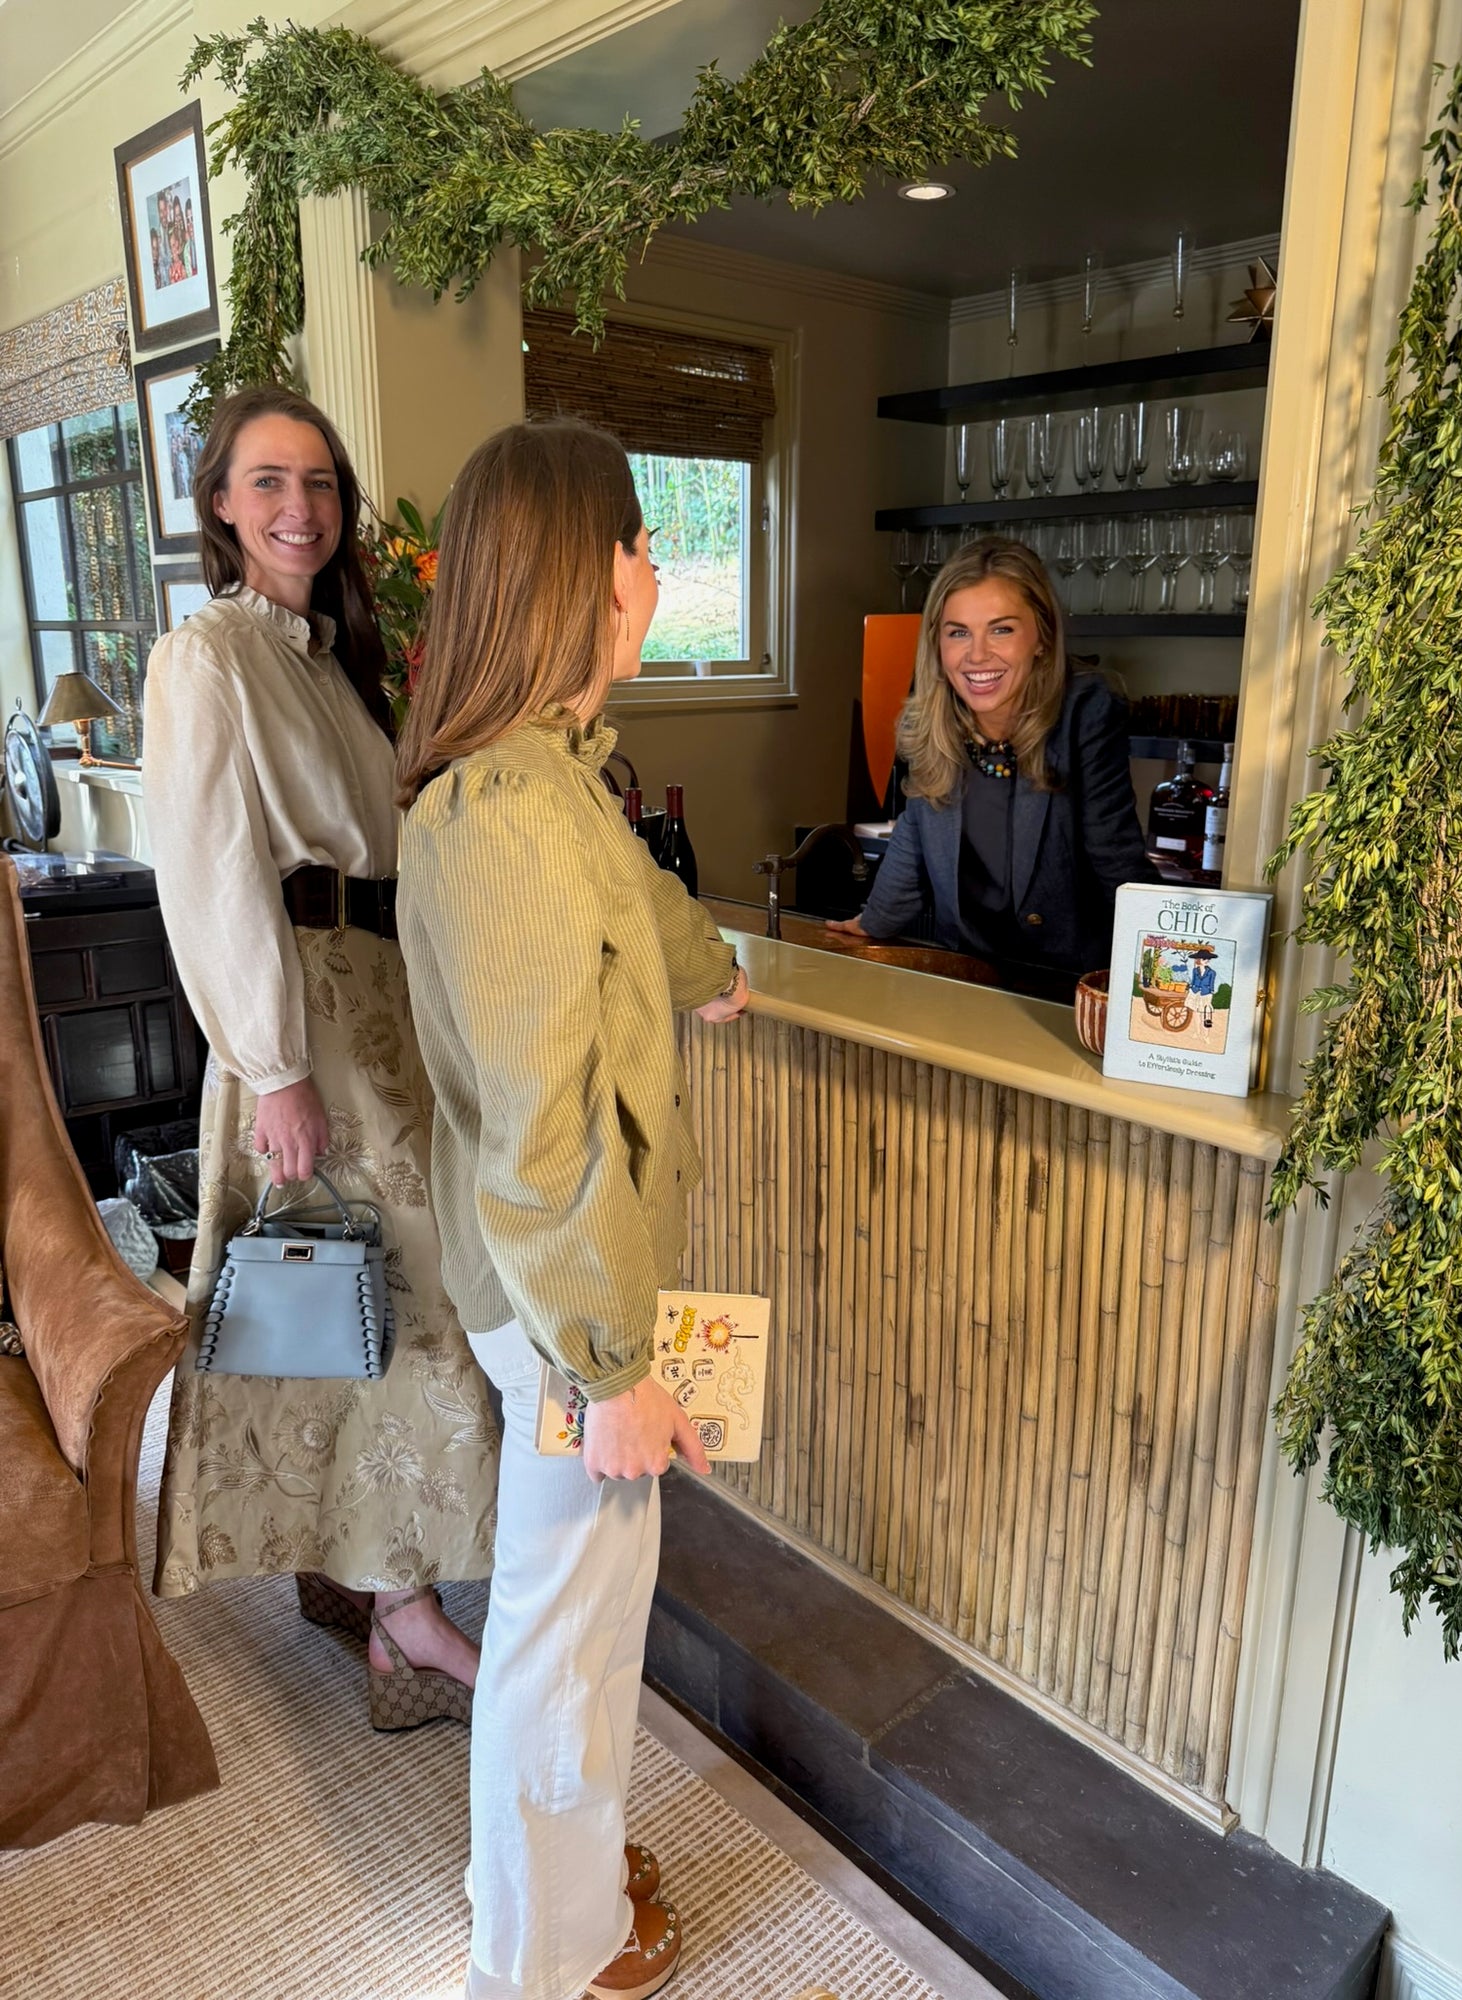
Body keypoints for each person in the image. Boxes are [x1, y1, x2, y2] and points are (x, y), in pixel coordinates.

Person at [394, 419, 750, 2000]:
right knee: (563, 1634)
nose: (655, 573)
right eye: (642, 546)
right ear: (587, 575)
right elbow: (541, 1143)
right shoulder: (508, 813)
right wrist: (608, 1368)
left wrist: (708, 967)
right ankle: (543, 1962)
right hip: (563, 1313)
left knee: (593, 1613)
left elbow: (634, 907)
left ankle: (568, 1895)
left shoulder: (551, 781)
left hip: (568, 1301)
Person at [144, 384, 498, 1728]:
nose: (302, 507)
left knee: (398, 1306)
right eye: (270, 482)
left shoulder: (329, 659)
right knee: (373, 1309)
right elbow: (210, 873)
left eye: (320, 483)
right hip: (308, 1021)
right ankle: (403, 1610)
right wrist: (274, 1064)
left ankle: (398, 1598)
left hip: (382, 1001)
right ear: (222, 505)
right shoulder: (207, 659)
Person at [830, 537, 1152, 979]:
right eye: (958, 632)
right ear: (937, 644)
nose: (977, 655)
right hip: (967, 971)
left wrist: (1157, 966)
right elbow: (916, 828)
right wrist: (874, 922)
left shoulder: (1085, 710)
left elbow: (1116, 857)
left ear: (1042, 638)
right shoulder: (929, 719)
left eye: (1001, 630)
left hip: (1065, 979)